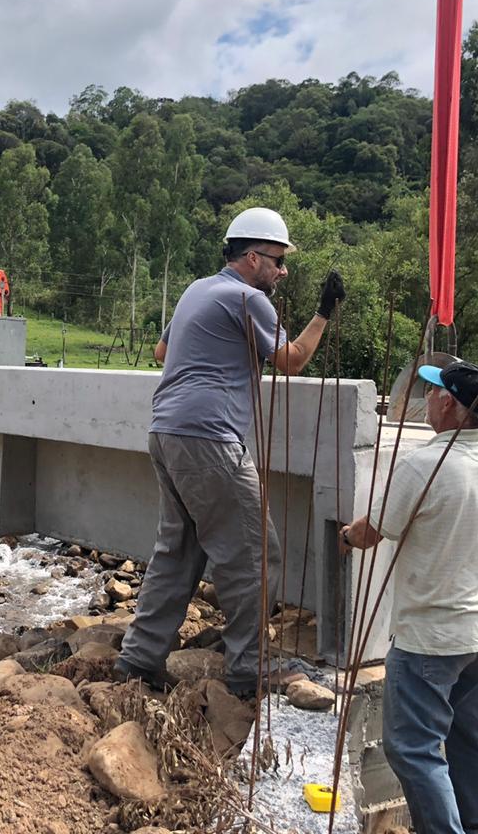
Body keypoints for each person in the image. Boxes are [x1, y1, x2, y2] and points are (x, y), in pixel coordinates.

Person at [115, 206, 346, 699]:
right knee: (255, 553)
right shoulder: (248, 298)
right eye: (277, 261)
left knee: (177, 552)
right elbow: (293, 360)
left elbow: (162, 354)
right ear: (250, 257)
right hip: (211, 438)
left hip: (167, 430)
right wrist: (324, 313)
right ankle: (247, 668)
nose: (282, 271)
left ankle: (138, 661)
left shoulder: (198, 289)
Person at [337, 359, 478, 834]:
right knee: (470, 733)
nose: (429, 399)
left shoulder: (424, 463)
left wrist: (344, 536)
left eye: (436, 393)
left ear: (451, 405)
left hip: (432, 637)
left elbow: (374, 531)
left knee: (412, 748)